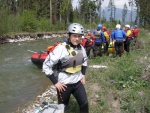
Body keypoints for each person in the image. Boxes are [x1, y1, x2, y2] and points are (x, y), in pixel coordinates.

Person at [42, 23, 89, 113]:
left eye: (79, 36)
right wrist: (56, 82)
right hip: (64, 85)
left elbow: (85, 61)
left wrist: (83, 74)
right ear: (69, 35)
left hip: (78, 82)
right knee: (62, 109)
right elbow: (46, 65)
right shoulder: (61, 48)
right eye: (74, 36)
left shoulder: (81, 48)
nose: (77, 38)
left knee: (84, 104)